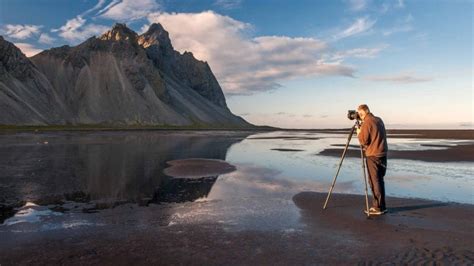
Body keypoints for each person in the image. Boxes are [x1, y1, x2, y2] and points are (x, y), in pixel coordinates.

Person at [356, 104, 388, 215]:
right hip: (382, 154)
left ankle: (377, 207)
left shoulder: (367, 122)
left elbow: (363, 141)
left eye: (359, 114)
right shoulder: (379, 120)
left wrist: (359, 133)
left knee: (374, 181)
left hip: (373, 155)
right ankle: (382, 206)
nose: (359, 116)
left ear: (362, 113)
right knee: (380, 180)